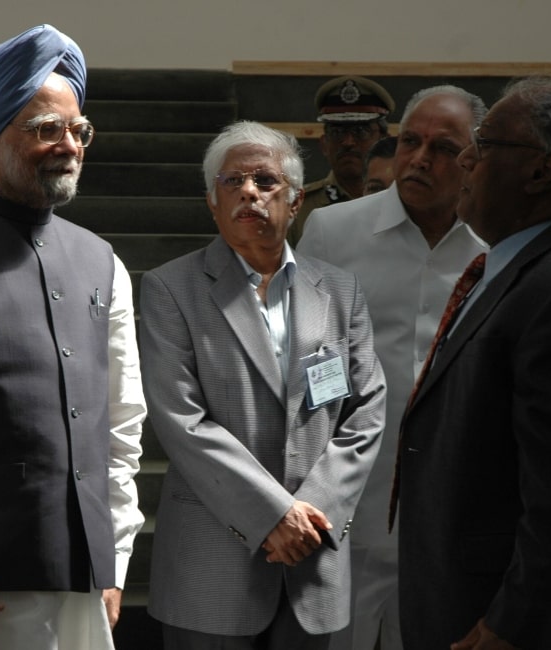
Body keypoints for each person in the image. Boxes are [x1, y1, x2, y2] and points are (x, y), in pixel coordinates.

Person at [139, 120, 386, 649]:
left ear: (295, 201)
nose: (249, 191)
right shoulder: (169, 288)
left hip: (313, 562)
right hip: (211, 566)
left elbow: (365, 412)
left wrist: (310, 516)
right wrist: (274, 515)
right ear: (212, 201)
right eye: (233, 181)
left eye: (266, 180)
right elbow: (182, 421)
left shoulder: (340, 291)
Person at [0, 24, 146, 650]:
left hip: (84, 588)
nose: (69, 146)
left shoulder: (102, 260)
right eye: (45, 129)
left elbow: (121, 427)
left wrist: (113, 557)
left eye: (78, 131)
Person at [394, 76, 551, 650]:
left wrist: (516, 621)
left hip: (497, 620)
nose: (469, 159)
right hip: (457, 598)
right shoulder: (514, 266)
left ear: (541, 170)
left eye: (485, 143)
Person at [298, 85, 488, 650]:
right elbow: (310, 359)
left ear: (474, 159)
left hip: (452, 506)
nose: (420, 158)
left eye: (444, 147)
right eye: (410, 141)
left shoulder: (492, 243)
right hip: (350, 495)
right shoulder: (334, 232)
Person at [287, 75, 395, 246]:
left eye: (361, 131)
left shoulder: (402, 200)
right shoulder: (298, 209)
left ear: (384, 140)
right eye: (337, 133)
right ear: (324, 144)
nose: (348, 142)